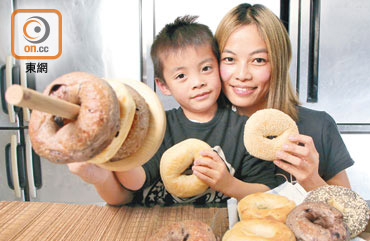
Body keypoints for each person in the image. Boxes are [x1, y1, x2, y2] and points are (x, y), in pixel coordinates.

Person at [68, 15, 279, 206]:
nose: (197, 82)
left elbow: (266, 191)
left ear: (219, 66)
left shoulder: (245, 130)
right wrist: (117, 143)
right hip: (157, 227)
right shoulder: (158, 127)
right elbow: (135, 182)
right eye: (181, 76)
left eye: (206, 68)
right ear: (164, 86)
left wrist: (228, 184)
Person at [215, 3, 354, 191]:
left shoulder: (318, 127)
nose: (242, 74)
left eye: (258, 60)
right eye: (229, 59)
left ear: (279, 64)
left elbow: (351, 216)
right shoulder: (207, 130)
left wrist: (311, 179)